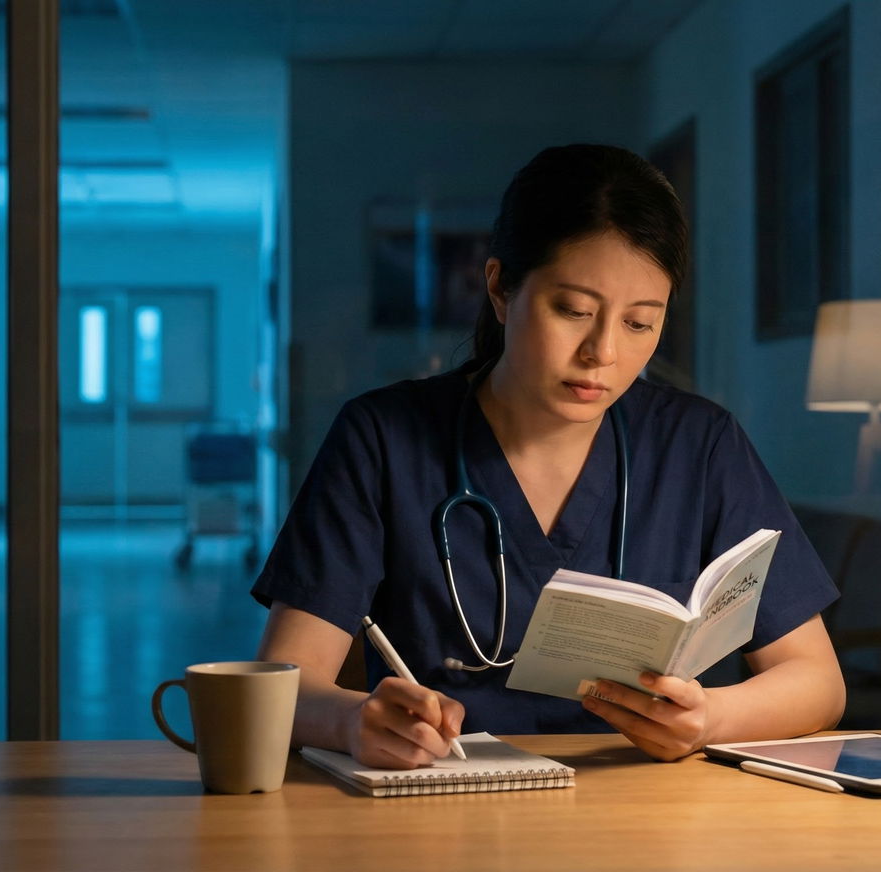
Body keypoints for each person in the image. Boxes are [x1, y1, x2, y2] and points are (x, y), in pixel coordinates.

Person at [254, 144, 843, 769]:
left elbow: (816, 681)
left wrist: (709, 719)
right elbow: (280, 684)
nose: (602, 352)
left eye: (640, 323)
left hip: (648, 820)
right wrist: (352, 720)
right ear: (501, 289)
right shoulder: (383, 439)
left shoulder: (697, 446)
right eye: (573, 311)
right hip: (444, 816)